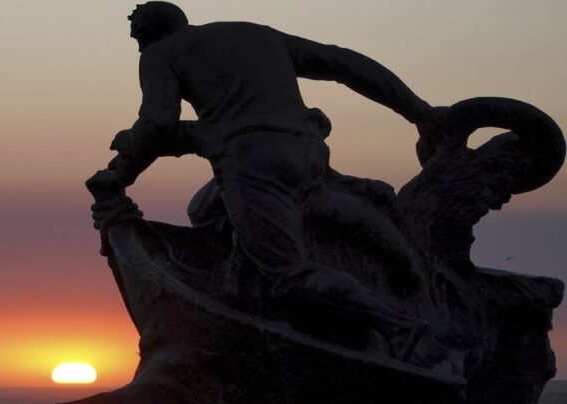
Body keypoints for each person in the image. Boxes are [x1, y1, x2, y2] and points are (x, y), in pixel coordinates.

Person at [89, 1, 443, 352]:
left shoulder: (159, 53)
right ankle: (251, 268)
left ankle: (403, 332)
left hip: (252, 160)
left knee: (287, 276)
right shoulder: (254, 34)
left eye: (137, 36)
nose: (137, 44)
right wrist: (420, 112)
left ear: (150, 33)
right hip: (306, 150)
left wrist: (120, 173)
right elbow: (343, 62)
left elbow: (158, 122)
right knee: (206, 208)